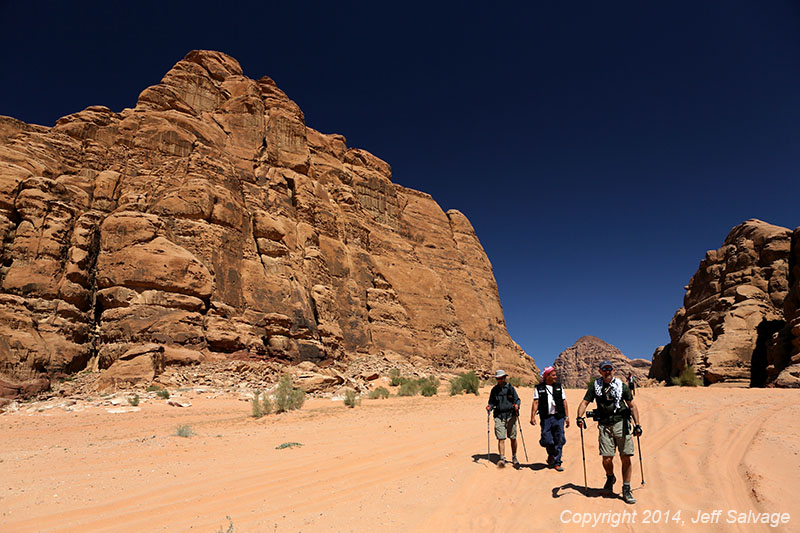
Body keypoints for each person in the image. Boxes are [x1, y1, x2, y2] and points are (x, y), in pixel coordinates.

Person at [576, 360, 643, 504]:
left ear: (614, 370)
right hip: (604, 426)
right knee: (607, 458)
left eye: (610, 369)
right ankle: (610, 477)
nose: (607, 371)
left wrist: (637, 425)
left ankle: (626, 488)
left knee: (625, 457)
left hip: (621, 424)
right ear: (600, 371)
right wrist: (579, 417)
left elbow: (632, 406)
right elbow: (584, 403)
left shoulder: (621, 387)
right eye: (604, 369)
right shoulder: (595, 387)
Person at [530, 366, 569, 471]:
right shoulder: (539, 388)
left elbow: (564, 402)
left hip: (559, 417)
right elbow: (536, 402)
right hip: (546, 418)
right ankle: (551, 454)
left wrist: (567, 416)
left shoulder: (559, 387)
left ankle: (557, 462)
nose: (556, 377)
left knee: (559, 439)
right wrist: (532, 416)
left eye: (555, 375)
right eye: (553, 375)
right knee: (547, 440)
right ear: (547, 376)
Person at [486, 369, 521, 467]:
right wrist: (489, 407)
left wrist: (517, 405)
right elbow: (492, 402)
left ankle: (514, 457)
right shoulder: (494, 390)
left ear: (504, 377)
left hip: (511, 415)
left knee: (513, 438)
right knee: (501, 438)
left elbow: (517, 400)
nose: (500, 380)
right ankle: (502, 458)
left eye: (501, 378)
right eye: (498, 379)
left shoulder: (510, 388)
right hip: (499, 416)